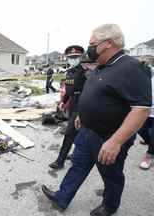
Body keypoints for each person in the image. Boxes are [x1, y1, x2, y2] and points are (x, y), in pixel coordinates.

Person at [41, 24, 151, 216]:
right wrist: (83, 116)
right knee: (78, 165)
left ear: (108, 44)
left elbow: (141, 110)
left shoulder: (131, 68)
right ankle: (62, 197)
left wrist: (116, 142)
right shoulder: (101, 66)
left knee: (111, 175)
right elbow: (95, 94)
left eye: (92, 43)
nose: (89, 47)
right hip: (87, 130)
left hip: (109, 137)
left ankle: (109, 206)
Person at [49, 45, 87, 170]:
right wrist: (63, 101)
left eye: (76, 57)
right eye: (71, 57)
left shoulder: (86, 72)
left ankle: (60, 161)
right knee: (77, 132)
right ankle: (76, 154)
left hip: (82, 105)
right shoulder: (69, 71)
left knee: (69, 133)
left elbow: (88, 91)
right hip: (72, 103)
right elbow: (70, 90)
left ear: (81, 57)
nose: (73, 59)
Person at [137, 64, 154, 170]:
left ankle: (149, 155)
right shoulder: (150, 72)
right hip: (147, 109)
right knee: (140, 129)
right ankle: (150, 142)